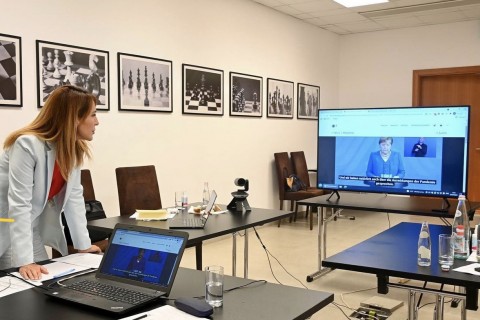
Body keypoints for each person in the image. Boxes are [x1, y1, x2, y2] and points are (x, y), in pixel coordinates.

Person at [0, 85, 101, 280]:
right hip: (7, 225)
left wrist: (83, 246)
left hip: (29, 226)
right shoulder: (27, 144)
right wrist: (24, 261)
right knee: (22, 287)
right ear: (74, 118)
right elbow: (19, 204)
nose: (97, 122)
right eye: (93, 115)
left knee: (45, 280)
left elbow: (74, 199)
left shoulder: (71, 148)